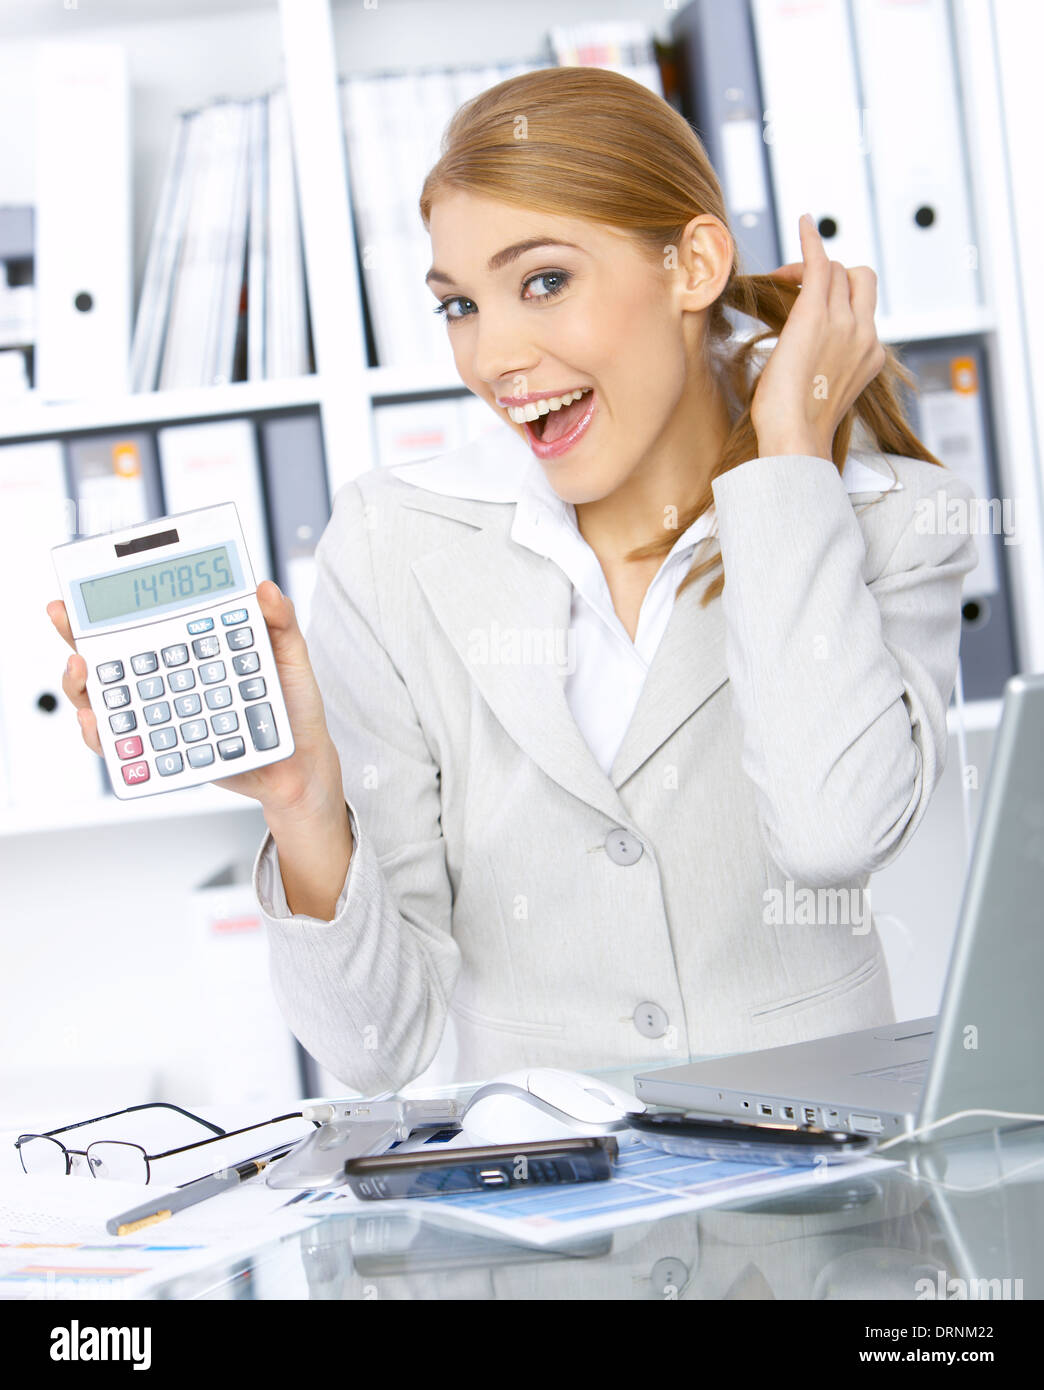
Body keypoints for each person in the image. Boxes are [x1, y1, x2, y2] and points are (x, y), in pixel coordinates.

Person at [51, 66, 977, 1095]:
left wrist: (789, 456)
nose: (493, 356)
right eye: (458, 305)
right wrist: (304, 799)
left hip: (826, 1211)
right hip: (550, 1225)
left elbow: (831, 830)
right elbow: (374, 1048)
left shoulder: (883, 516)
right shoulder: (390, 545)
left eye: (543, 282)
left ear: (693, 263)